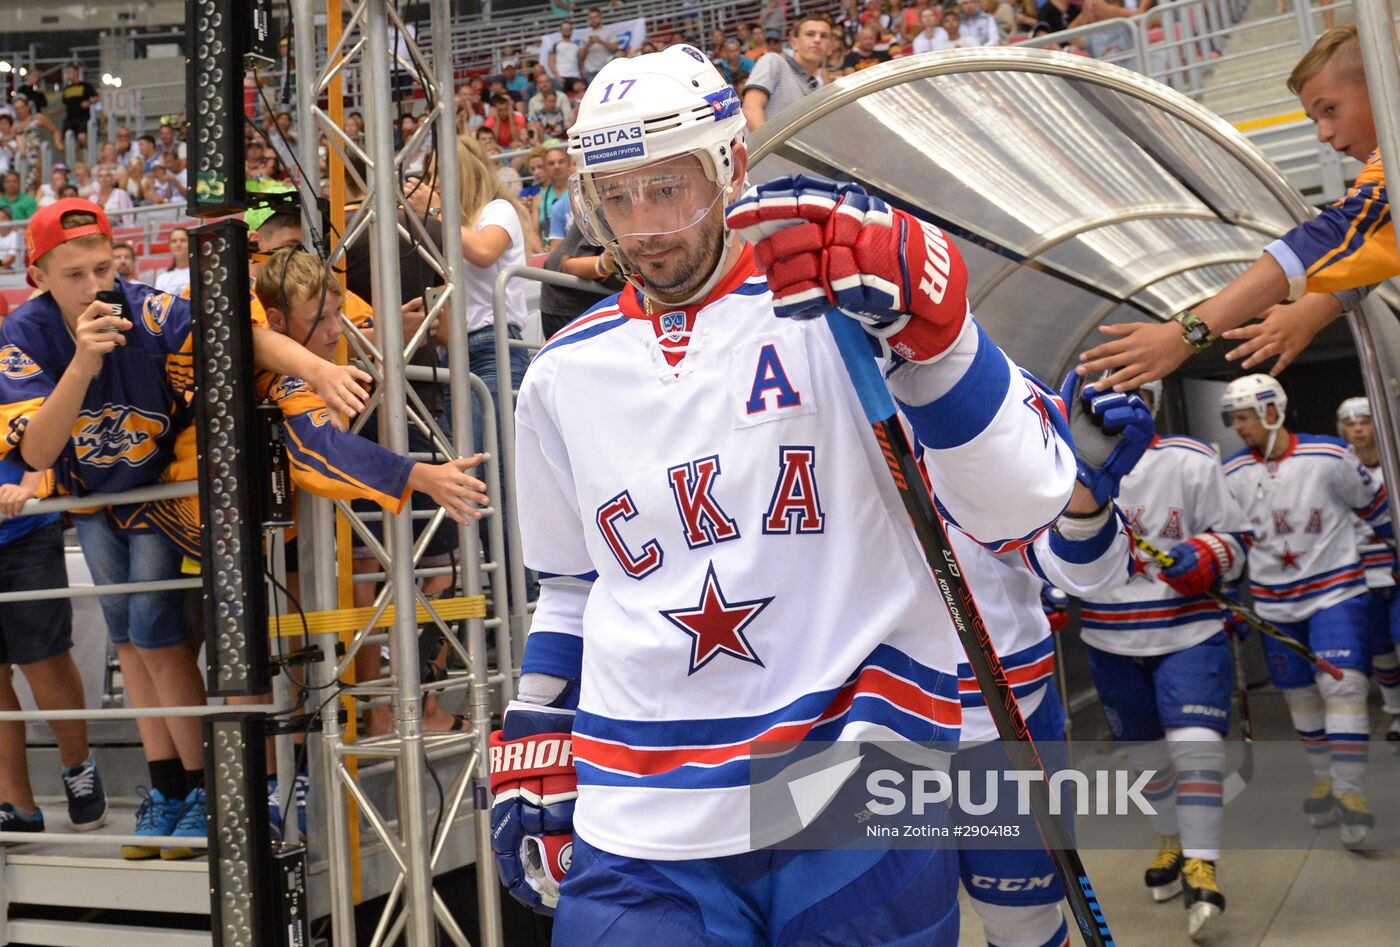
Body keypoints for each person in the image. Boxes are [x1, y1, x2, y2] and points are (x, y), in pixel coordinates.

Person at [488, 45, 1077, 940]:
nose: (644, 227)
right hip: (638, 809)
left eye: (669, 188)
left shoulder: (847, 298)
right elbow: (572, 585)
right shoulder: (562, 374)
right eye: (616, 197)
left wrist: (944, 335)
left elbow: (1021, 500)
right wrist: (538, 719)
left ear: (731, 165)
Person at [0, 200, 372, 859]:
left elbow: (238, 331)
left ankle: (202, 785)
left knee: (155, 631)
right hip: (92, 502)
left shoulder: (147, 308)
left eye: (103, 269)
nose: (95, 289)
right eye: (75, 276)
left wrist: (318, 369)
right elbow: (35, 452)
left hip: (160, 493)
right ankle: (166, 787)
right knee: (131, 643)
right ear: (38, 278)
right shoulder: (23, 334)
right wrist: (83, 364)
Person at [1079, 27, 1393, 391]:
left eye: (1330, 109)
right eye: (1315, 119)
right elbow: (1375, 240)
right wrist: (1316, 307)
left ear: (1383, 81)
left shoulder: (1392, 167)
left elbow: (1336, 235)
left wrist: (1184, 334)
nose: (1323, 133)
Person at [949, 378, 1150, 947]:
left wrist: (1083, 501)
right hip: (849, 724)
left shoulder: (992, 392)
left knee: (1022, 919)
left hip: (1003, 713)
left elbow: (1086, 572)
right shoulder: (752, 400)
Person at [1075, 378, 1253, 938]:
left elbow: (1235, 537)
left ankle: (1204, 864)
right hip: (1108, 637)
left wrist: (1208, 554)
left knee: (1194, 747)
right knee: (1144, 756)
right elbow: (1046, 539)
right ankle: (1171, 840)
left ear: (1148, 398)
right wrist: (1053, 580)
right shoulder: (1065, 463)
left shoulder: (1192, 459)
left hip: (1187, 630)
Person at [1220, 375, 1387, 849]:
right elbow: (1229, 538)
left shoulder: (1331, 456)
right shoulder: (1230, 473)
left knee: (1346, 685)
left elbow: (1375, 508)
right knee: (1299, 695)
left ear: (1273, 411)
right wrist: (1228, 592)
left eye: (1245, 415)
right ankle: (1324, 778)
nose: (1238, 425)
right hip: (1273, 600)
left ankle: (1351, 793)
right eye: (1233, 417)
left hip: (1336, 590)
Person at [0, 456, 109, 837]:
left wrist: (32, 484)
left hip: (24, 527)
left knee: (45, 660)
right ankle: (16, 803)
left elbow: (46, 427)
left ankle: (78, 766)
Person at [1335, 396, 1400, 745]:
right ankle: (1396, 715)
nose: (1358, 428)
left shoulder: (1395, 462)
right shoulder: (1338, 465)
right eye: (1351, 422)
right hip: (1359, 571)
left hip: (1395, 567)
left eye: (1365, 420)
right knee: (1381, 651)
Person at [741, 12, 831, 132]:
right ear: (794, 43)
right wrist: (772, 150)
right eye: (810, 34)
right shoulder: (773, 60)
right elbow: (751, 109)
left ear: (830, 47)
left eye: (824, 36)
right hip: (764, 149)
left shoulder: (815, 88)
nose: (817, 40)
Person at [59, 64, 100, 148]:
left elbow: (96, 97)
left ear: (77, 73)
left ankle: (92, 154)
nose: (68, 74)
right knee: (68, 142)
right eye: (67, 72)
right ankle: (76, 160)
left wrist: (89, 102)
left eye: (70, 72)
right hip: (70, 118)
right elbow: (65, 105)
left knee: (82, 137)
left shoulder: (85, 85)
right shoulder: (66, 88)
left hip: (82, 118)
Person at [580, 7, 620, 83]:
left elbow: (615, 49)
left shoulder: (609, 31)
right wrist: (588, 44)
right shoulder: (585, 36)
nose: (593, 20)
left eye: (596, 17)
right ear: (588, 20)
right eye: (591, 18)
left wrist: (601, 41)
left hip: (606, 69)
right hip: (590, 71)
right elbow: (581, 57)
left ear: (600, 18)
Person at [154, 227, 191, 296]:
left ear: (191, 243)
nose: (178, 244)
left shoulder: (200, 274)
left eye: (183, 240)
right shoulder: (162, 279)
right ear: (169, 246)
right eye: (174, 241)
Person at [549, 20, 583, 84]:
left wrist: (581, 75)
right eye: (564, 28)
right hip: (561, 76)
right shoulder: (555, 45)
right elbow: (551, 62)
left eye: (569, 28)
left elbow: (580, 62)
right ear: (561, 30)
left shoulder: (576, 46)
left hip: (575, 76)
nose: (566, 30)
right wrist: (558, 77)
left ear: (572, 30)